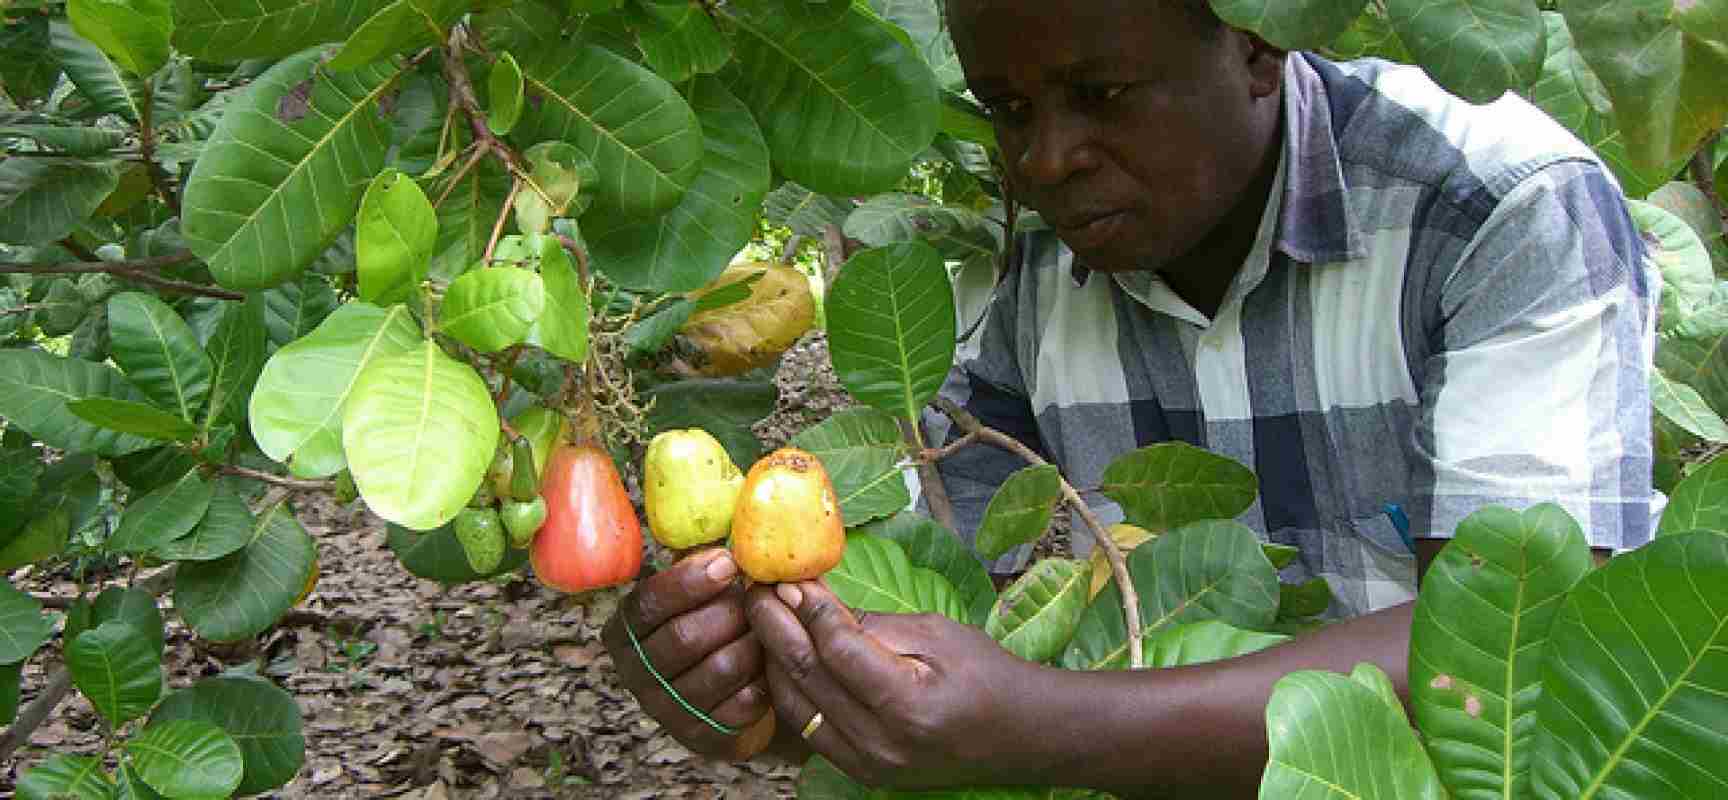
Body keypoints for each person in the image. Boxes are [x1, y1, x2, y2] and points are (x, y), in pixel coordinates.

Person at [600, 0, 1657, 796]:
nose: (1046, 159)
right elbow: (958, 654)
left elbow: (1519, 654)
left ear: (1255, 44)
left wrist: (1053, 723)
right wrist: (756, 686)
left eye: (1100, 95)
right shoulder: (1032, 276)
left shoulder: (1498, 209)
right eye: (1009, 110)